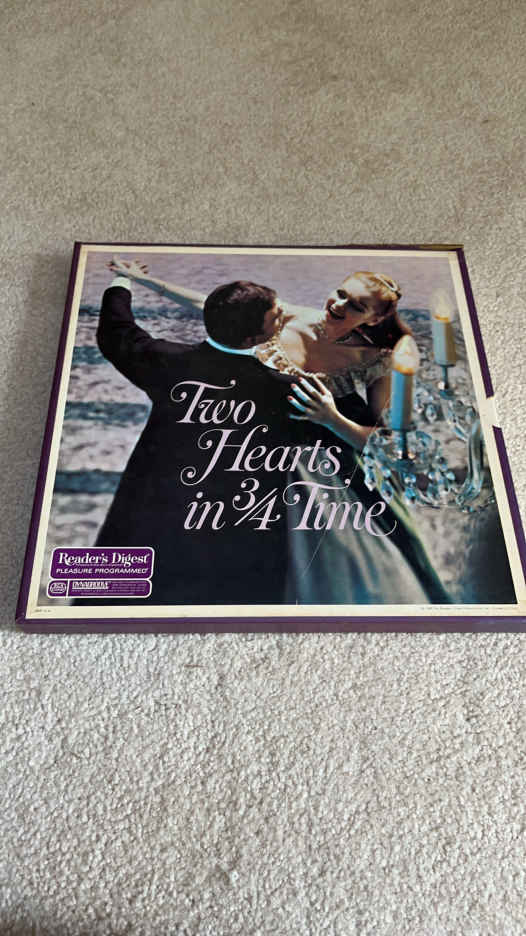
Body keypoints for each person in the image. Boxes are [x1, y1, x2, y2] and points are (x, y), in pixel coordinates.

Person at [97, 260, 451, 605]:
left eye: (356, 305)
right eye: (341, 293)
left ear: (374, 318)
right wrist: (142, 280)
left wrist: (332, 419)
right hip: (254, 449)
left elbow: (387, 443)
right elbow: (213, 307)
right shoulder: (289, 316)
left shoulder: (377, 358)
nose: (339, 305)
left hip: (323, 463)